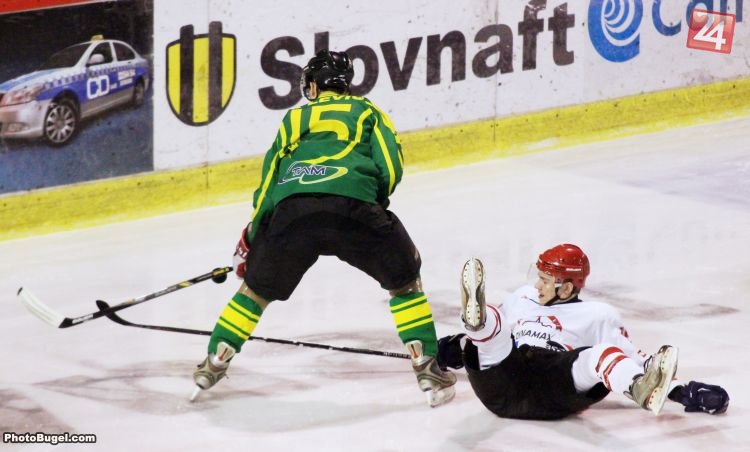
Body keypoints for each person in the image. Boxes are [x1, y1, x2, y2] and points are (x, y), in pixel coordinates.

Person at [191, 50, 456, 407]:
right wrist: (369, 201)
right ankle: (426, 367)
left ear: (313, 86)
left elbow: (269, 183)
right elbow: (391, 166)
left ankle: (214, 361)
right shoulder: (369, 112)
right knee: (405, 283)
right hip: (356, 209)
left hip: (293, 215)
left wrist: (253, 237)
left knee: (253, 292)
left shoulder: (294, 117)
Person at [437, 244, 729, 419]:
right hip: (504, 379)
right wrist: (446, 349)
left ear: (566, 288)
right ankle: (476, 322)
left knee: (602, 355)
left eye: (545, 280)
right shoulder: (523, 297)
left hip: (553, 384)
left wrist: (684, 392)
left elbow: (635, 359)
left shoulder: (598, 314)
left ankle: (638, 389)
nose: (537, 285)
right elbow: (493, 342)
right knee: (494, 326)